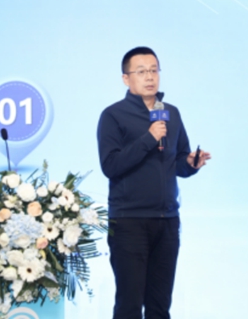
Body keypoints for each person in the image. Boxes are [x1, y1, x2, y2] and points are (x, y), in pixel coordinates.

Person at [97, 46, 211, 319]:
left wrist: (191, 163)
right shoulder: (113, 115)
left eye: (154, 70)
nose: (149, 77)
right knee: (129, 306)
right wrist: (149, 138)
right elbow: (110, 165)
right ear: (126, 78)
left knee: (160, 307)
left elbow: (178, 160)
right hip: (129, 222)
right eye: (141, 72)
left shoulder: (170, 112)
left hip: (167, 221)